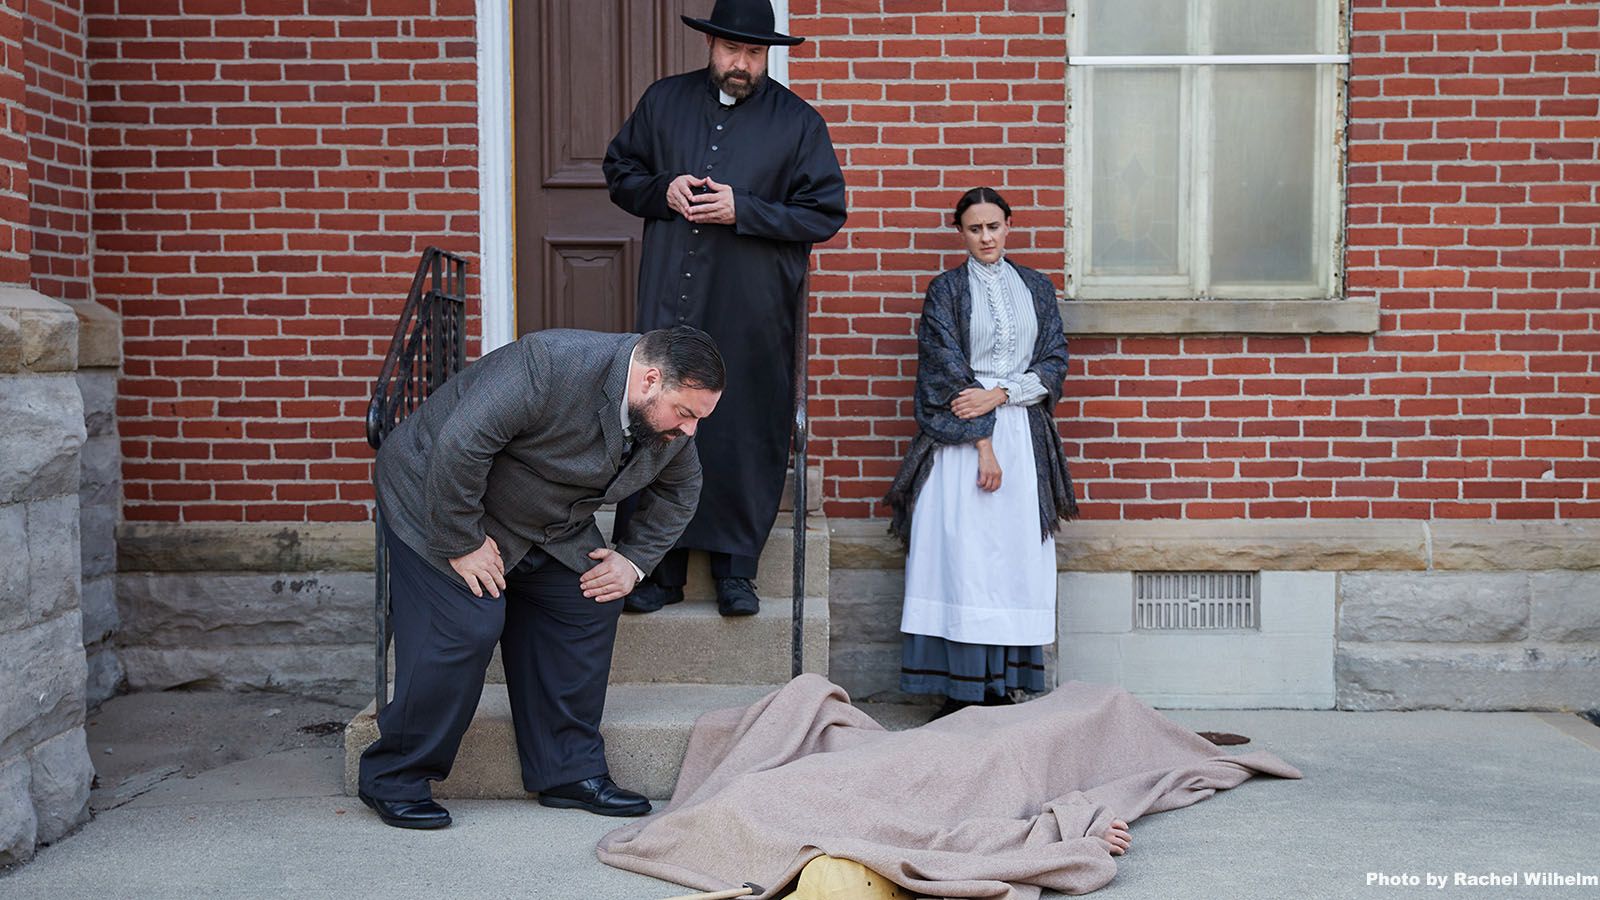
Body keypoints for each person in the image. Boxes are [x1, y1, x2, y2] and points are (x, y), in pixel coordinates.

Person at [358, 326, 725, 828]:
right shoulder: (550, 362)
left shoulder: (668, 426)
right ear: (650, 380)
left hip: (547, 526)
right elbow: (461, 445)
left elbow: (682, 492)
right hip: (436, 500)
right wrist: (461, 543)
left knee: (588, 598)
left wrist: (633, 561)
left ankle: (567, 771)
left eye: (700, 419)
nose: (689, 432)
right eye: (685, 414)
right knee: (467, 624)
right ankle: (394, 777)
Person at [603, 0, 847, 617]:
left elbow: (825, 213)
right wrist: (663, 189)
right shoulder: (663, 101)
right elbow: (619, 170)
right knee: (658, 421)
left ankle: (739, 571)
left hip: (754, 309)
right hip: (670, 299)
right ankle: (658, 571)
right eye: (732, 49)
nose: (742, 64)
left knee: (742, 429)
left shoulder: (798, 123)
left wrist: (747, 210)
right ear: (710, 45)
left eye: (755, 53)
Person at [884, 188, 1080, 719]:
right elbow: (944, 367)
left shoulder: (1037, 287)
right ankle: (960, 687)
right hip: (963, 439)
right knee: (964, 557)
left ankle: (1002, 683)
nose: (986, 237)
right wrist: (983, 443)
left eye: (994, 226)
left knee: (1012, 558)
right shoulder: (945, 290)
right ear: (960, 233)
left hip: (1024, 434)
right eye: (975, 229)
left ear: (1009, 225)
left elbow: (1055, 359)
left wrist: (1003, 393)